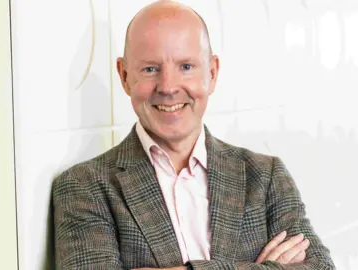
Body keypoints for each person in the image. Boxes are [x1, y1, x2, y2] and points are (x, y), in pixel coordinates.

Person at [52, 1, 335, 269]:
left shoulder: (265, 176)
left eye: (185, 67)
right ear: (124, 76)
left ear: (212, 72)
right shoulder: (85, 187)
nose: (168, 86)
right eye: (150, 69)